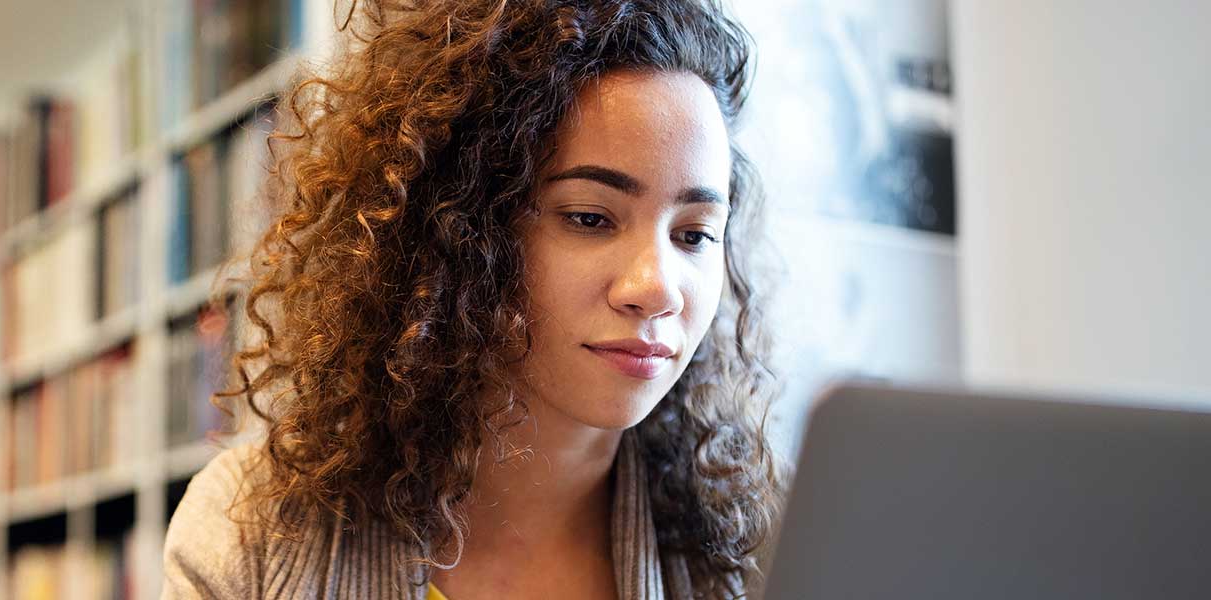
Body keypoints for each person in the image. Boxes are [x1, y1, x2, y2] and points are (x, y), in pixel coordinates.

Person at [162, 1, 781, 598]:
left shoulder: (754, 556)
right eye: (590, 218)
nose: (658, 289)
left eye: (694, 235)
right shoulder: (252, 531)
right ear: (460, 228)